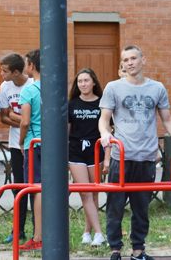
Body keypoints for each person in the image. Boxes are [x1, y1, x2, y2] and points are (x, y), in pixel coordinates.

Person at [99, 45, 171, 260]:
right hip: (121, 157)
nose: (130, 63)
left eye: (134, 58)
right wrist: (105, 134)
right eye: (126, 60)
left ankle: (138, 250)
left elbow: (167, 120)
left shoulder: (157, 88)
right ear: (122, 64)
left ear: (143, 60)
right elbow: (104, 119)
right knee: (115, 207)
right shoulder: (113, 87)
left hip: (146, 157)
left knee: (141, 208)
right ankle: (115, 249)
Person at [68, 68, 109, 247]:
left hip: (96, 151)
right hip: (75, 151)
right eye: (80, 81)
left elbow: (109, 132)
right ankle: (99, 233)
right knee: (84, 192)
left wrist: (107, 159)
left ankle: (87, 232)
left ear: (93, 82)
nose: (83, 84)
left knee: (93, 194)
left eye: (86, 80)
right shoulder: (71, 104)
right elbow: (66, 133)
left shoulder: (102, 104)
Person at [0, 52, 34, 243]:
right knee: (18, 186)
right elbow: (4, 116)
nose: (1, 75)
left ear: (16, 71)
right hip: (15, 143)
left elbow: (33, 120)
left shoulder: (33, 85)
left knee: (35, 186)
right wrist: (23, 121)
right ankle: (18, 230)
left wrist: (18, 118)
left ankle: (39, 231)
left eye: (4, 71)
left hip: (33, 143)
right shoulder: (4, 87)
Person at [18, 49, 42, 252]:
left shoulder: (29, 90)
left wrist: (20, 141)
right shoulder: (56, 87)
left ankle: (38, 236)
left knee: (36, 190)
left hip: (34, 144)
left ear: (32, 66)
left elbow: (25, 121)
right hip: (54, 145)